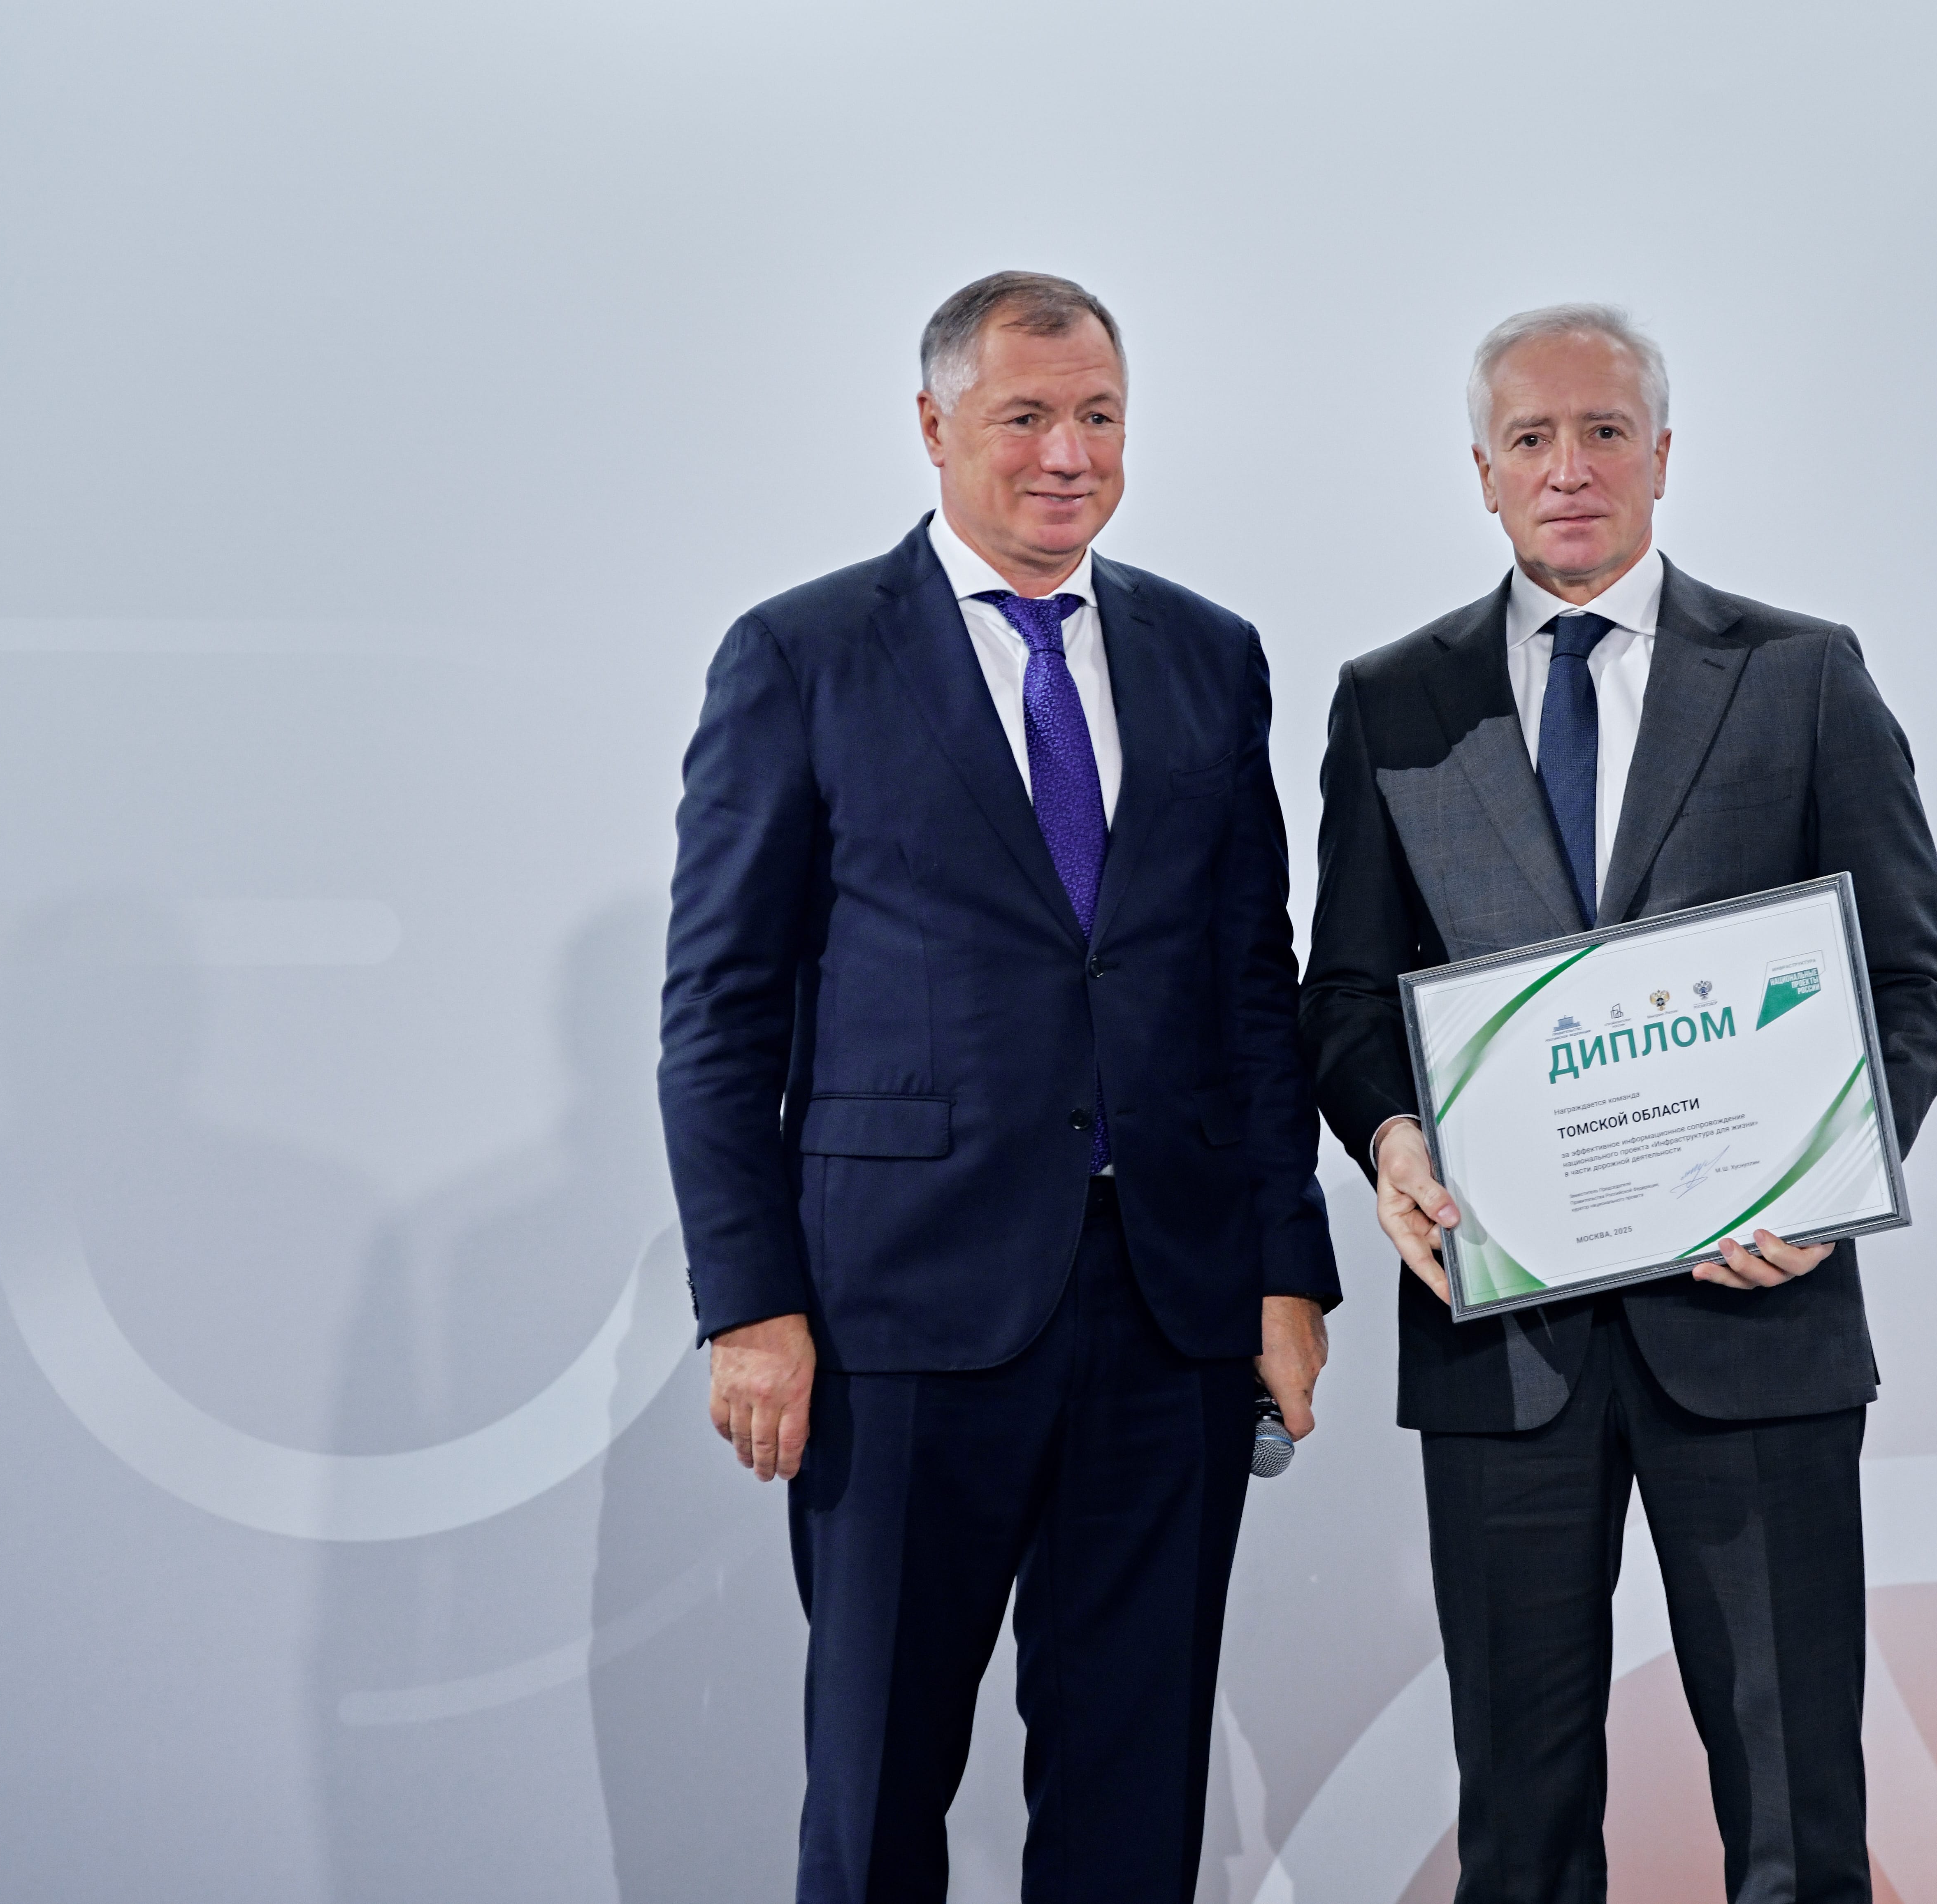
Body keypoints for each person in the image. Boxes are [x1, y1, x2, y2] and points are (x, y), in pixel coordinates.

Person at [658, 269, 1338, 1904]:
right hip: (897, 1315)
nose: (1067, 454)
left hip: (1169, 1308)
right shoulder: (802, 654)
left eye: (1099, 416)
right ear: (933, 426)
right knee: (878, 1782)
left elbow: (1252, 988)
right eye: (1024, 416)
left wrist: (1285, 1267)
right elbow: (719, 1016)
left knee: (1133, 1793)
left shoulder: (1208, 655)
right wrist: (751, 1303)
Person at [1301, 305, 1937, 1904]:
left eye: (1603, 432)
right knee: (1518, 1830)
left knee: (1797, 1818)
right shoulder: (1393, 700)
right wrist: (1388, 1138)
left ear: (1662, 455)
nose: (1569, 468)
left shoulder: (1799, 675)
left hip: (1757, 1324)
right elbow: (1345, 998)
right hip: (1504, 1343)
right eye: (1529, 439)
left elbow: (1911, 986)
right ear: (1481, 472)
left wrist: (1821, 1183)